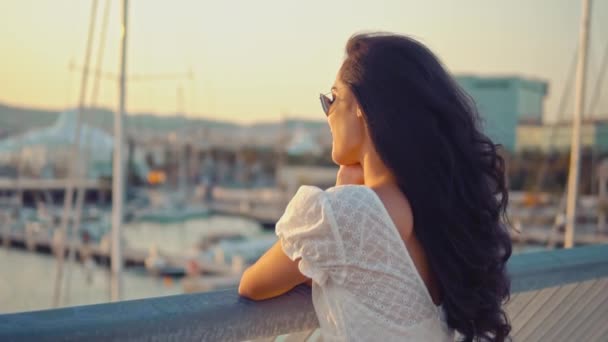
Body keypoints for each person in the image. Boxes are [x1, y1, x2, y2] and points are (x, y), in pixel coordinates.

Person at [239, 32, 512, 342]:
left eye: (332, 98)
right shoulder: (433, 211)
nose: (328, 115)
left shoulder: (347, 214)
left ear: (360, 106)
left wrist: (344, 197)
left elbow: (252, 286)